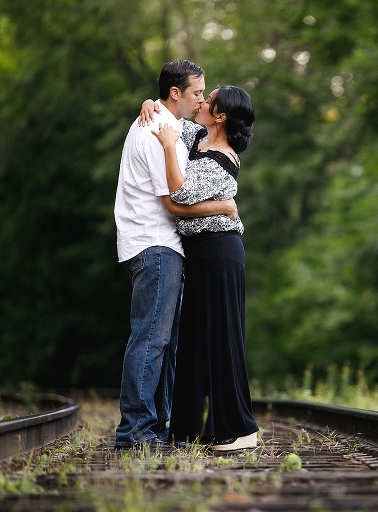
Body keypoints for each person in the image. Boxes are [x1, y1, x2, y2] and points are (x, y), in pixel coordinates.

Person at [114, 60, 237, 450]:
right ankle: (135, 431)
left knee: (163, 343)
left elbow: (213, 133)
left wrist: (148, 100)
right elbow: (172, 202)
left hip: (165, 246)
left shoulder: (172, 126)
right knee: (151, 339)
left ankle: (157, 427)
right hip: (154, 244)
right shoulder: (155, 131)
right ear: (176, 94)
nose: (202, 98)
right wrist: (225, 208)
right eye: (198, 92)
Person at [146, 85, 259, 451]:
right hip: (200, 255)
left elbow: (179, 194)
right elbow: (171, 117)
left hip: (220, 252)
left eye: (207, 100)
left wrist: (166, 147)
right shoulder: (199, 136)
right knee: (194, 340)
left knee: (223, 338)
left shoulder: (221, 158)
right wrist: (150, 103)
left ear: (221, 115)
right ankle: (187, 430)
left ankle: (241, 430)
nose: (201, 101)